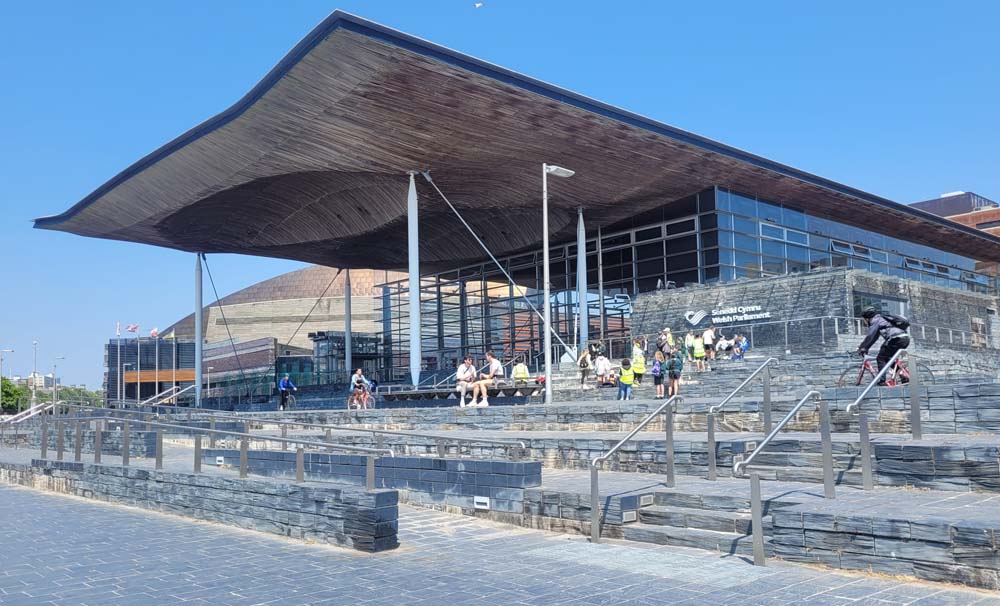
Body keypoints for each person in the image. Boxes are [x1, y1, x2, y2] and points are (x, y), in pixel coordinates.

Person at [858, 307, 911, 384]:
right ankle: (902, 375)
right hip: (904, 339)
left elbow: (870, 336)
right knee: (887, 358)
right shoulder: (881, 320)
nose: (864, 322)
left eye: (864, 319)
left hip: (896, 339)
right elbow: (873, 338)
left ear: (867, 318)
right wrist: (865, 347)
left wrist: (862, 347)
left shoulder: (875, 320)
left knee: (880, 358)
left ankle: (882, 381)